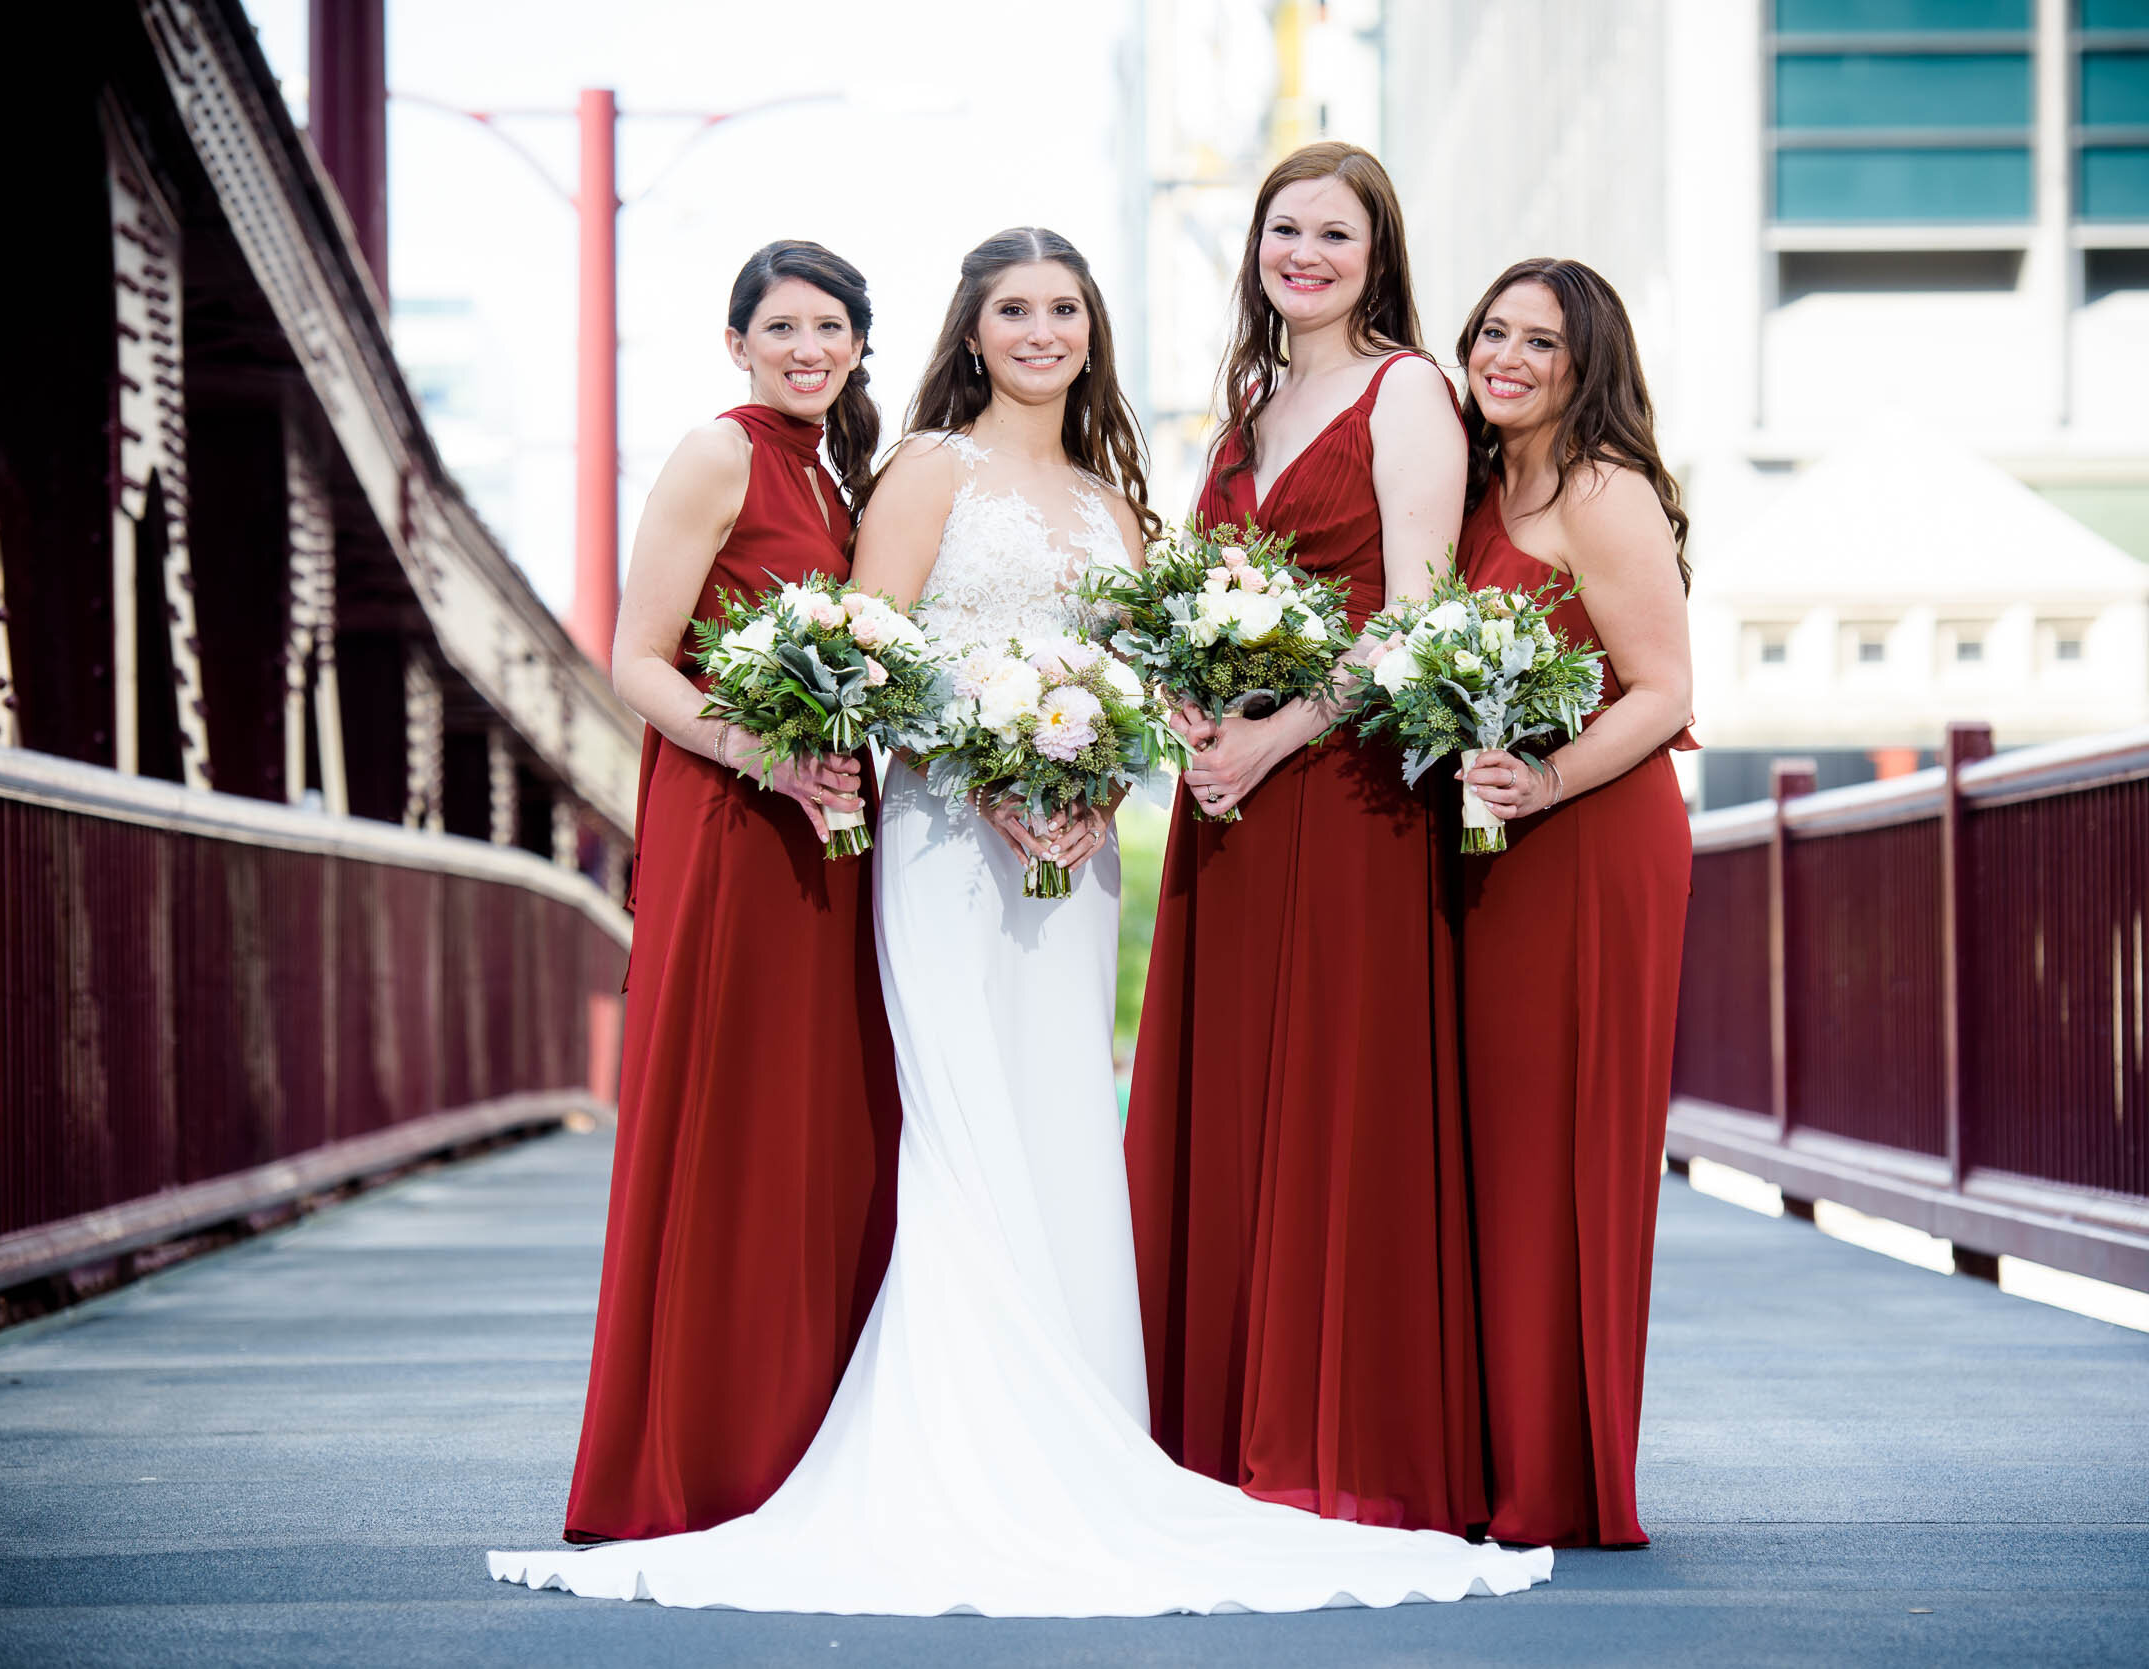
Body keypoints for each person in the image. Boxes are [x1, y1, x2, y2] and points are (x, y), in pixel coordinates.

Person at [488, 228, 1548, 1615]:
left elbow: (1136, 681)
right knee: (964, 1125)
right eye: (1012, 311)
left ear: (1092, 331)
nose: (1040, 331)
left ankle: (1084, 1438)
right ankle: (960, 1455)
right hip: (941, 840)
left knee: (1058, 1125)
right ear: (970, 333)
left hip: (1075, 854)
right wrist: (988, 779)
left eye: (1063, 308)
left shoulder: (1119, 509)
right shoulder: (927, 468)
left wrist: (1100, 790)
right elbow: (878, 651)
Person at [1123, 143, 1491, 1537]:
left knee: (1335, 1102)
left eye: (1334, 233)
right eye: (1285, 230)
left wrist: (1277, 737)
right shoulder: (1250, 403)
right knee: (1228, 1104)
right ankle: (1212, 1430)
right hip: (1225, 797)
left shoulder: (1409, 396)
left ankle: (1333, 1436)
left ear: (1376, 251)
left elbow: (1415, 610)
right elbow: (1185, 594)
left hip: (1341, 803)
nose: (1306, 255)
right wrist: (1189, 719)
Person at [557, 240, 900, 1545]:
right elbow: (638, 658)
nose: (807, 347)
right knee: (728, 1122)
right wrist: (769, 757)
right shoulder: (724, 453)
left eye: (829, 328)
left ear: (859, 345)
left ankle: (792, 1439)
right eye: (782, 327)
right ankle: (693, 1456)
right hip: (733, 820)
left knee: (813, 1130)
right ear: (738, 341)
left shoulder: (836, 470)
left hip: (826, 827)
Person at [1448, 257, 1696, 1549]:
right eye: (1493, 331)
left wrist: (1541, 780)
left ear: (1585, 360)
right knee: (1496, 1148)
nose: (1508, 356)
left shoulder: (1604, 490)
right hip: (1496, 843)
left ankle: (1565, 1474)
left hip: (1591, 841)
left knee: (1571, 1152)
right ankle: (1492, 1451)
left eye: (1539, 340)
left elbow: (1661, 690)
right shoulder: (1484, 481)